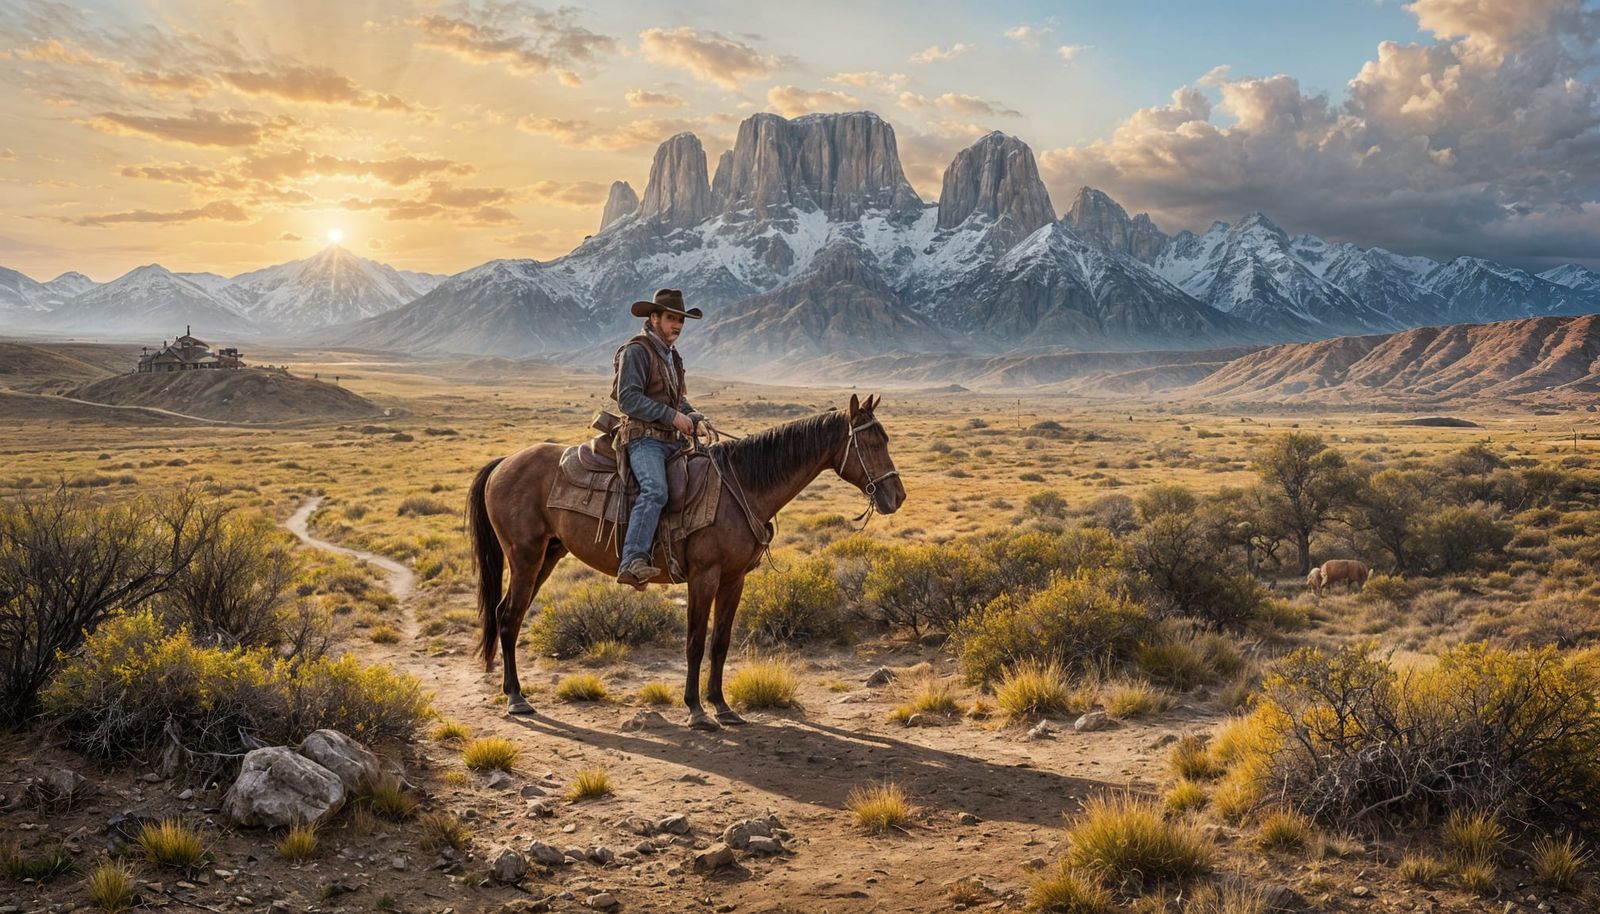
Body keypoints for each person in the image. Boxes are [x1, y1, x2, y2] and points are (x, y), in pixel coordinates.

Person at [611, 288, 710, 586]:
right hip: (644, 439)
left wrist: (693, 415)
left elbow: (676, 399)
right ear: (654, 318)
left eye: (681, 320)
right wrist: (672, 417)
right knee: (655, 491)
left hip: (672, 440)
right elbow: (627, 399)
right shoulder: (636, 351)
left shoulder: (671, 356)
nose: (677, 325)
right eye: (671, 319)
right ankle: (632, 560)